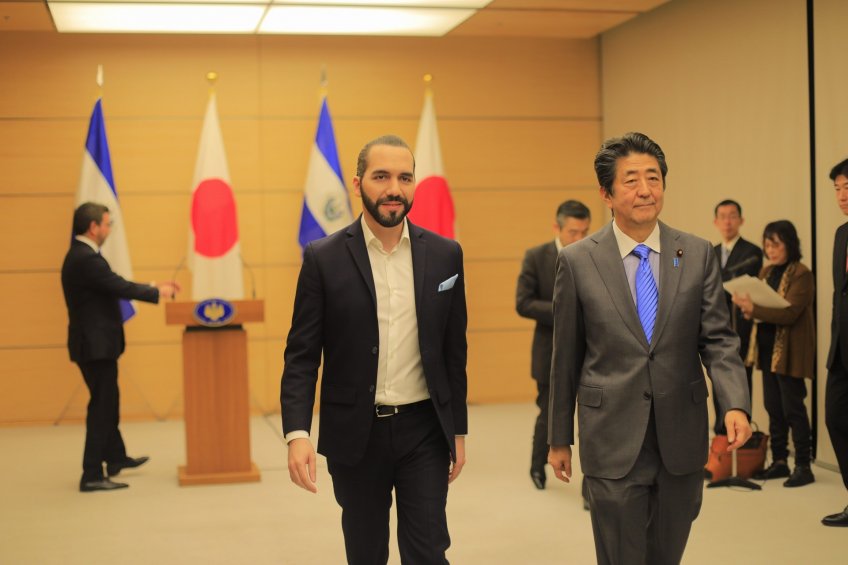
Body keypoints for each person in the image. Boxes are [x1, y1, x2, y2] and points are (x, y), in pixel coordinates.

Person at [547, 132, 752, 565]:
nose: (645, 190)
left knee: (666, 553)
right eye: (631, 180)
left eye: (653, 178)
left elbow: (718, 338)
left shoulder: (695, 252)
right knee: (621, 555)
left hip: (680, 433)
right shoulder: (578, 260)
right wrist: (559, 437)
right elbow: (565, 357)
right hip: (612, 437)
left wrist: (735, 403)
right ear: (606, 193)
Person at [280, 135, 468, 564]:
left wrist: (458, 430)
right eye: (381, 176)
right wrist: (297, 434)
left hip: (424, 430)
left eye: (404, 177)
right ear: (357, 181)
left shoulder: (445, 256)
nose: (394, 189)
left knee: (428, 551)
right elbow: (302, 356)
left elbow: (453, 351)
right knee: (365, 551)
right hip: (355, 434)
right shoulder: (323, 258)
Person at [62, 202, 180, 492]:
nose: (109, 229)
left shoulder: (83, 256)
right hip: (95, 346)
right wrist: (156, 291)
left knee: (107, 402)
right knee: (102, 406)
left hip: (95, 345)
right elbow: (118, 286)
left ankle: (114, 458)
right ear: (93, 227)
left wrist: (153, 285)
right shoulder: (86, 258)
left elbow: (112, 285)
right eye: (107, 223)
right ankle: (91, 474)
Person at [733, 221, 816, 487]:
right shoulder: (766, 271)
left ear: (789, 244)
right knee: (773, 407)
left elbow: (790, 313)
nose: (770, 249)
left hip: (790, 351)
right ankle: (779, 461)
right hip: (767, 350)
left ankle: (803, 465)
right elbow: (763, 307)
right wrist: (747, 307)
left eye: (776, 244)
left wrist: (754, 309)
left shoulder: (802, 273)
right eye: (767, 244)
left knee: (794, 408)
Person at [516, 200, 590, 493]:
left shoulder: (594, 254)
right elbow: (523, 303)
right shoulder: (536, 256)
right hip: (550, 351)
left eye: (585, 231)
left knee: (590, 419)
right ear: (557, 228)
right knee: (548, 414)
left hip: (589, 353)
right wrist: (562, 309)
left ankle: (591, 486)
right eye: (573, 232)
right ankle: (537, 465)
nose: (580, 238)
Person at [712, 199, 762, 435]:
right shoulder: (709, 252)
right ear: (715, 222)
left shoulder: (751, 252)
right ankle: (721, 434)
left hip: (740, 325)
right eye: (723, 216)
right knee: (717, 378)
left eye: (733, 216)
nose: (728, 221)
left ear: (741, 220)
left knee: (740, 378)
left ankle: (740, 433)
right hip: (714, 325)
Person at [823, 158, 848, 525]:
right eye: (838, 189)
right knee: (836, 418)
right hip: (841, 350)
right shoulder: (842, 233)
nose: (842, 196)